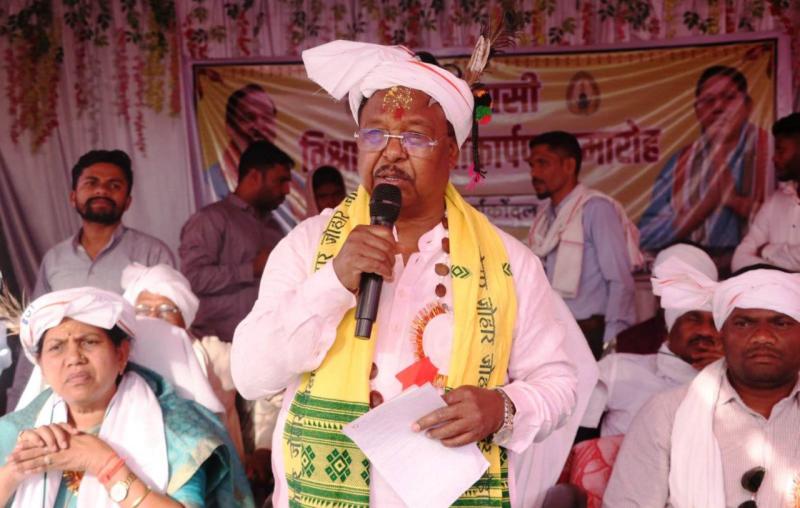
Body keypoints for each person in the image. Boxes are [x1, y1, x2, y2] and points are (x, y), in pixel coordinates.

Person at [231, 40, 582, 507]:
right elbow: (251, 376)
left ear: (452, 151)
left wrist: (502, 408)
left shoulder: (510, 263)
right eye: (375, 134)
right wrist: (333, 282)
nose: (391, 153)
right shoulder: (310, 244)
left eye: (415, 137)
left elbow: (558, 384)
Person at [0, 287, 253, 507]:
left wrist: (104, 464)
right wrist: (15, 470)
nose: (74, 358)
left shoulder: (178, 433)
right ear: (42, 367)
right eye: (57, 347)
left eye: (89, 342)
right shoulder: (16, 433)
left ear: (121, 355)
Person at [604, 266, 800, 507]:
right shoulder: (666, 414)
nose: (762, 336)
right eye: (744, 323)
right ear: (722, 335)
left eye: (781, 323)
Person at [120, 263, 281, 499]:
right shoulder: (122, 360)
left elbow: (270, 387)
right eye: (143, 309)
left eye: (166, 309)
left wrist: (263, 449)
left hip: (216, 476)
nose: (153, 317)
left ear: (184, 317)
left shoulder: (213, 353)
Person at [581, 244, 722, 437]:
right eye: (693, 319)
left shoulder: (733, 381)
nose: (706, 331)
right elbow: (577, 437)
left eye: (714, 323)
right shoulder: (618, 368)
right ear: (669, 324)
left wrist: (727, 374)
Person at [527, 130, 641, 359]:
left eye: (543, 163)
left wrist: (612, 339)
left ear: (569, 166)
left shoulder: (596, 209)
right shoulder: (544, 217)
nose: (534, 173)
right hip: (556, 334)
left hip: (593, 334)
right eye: (532, 165)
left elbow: (619, 279)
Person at [638, 65, 769, 254]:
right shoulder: (679, 163)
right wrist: (702, 209)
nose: (718, 107)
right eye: (708, 100)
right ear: (697, 111)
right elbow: (646, 237)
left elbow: (792, 222)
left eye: (729, 97)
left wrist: (734, 201)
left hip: (759, 268)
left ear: (748, 105)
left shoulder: (772, 152)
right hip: (694, 266)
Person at [180, 140, 292, 342]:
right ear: (254, 176)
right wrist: (251, 269)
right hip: (217, 346)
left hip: (267, 344)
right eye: (280, 181)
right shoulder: (211, 219)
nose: (287, 190)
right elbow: (192, 279)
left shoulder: (274, 228)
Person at [33, 150, 175, 298]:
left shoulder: (153, 254)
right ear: (73, 198)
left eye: (114, 185)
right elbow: (37, 312)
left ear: (128, 202)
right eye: (91, 183)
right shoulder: (54, 258)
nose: (101, 190)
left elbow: (169, 311)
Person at [732, 112, 800, 272]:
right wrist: (785, 273)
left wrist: (766, 251)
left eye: (781, 151)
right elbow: (739, 259)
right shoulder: (775, 201)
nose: (774, 158)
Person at [208, 84, 278, 200]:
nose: (260, 126)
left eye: (267, 117)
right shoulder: (208, 183)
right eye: (248, 118)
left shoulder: (293, 185)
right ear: (230, 128)